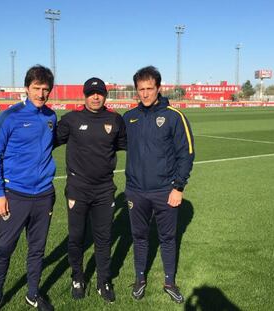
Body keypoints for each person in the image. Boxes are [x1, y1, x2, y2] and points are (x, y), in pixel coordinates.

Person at [0, 65, 56, 311]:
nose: (40, 94)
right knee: (4, 248)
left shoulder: (51, 117)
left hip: (44, 195)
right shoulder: (10, 116)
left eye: (45, 89)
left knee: (37, 250)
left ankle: (33, 294)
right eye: (36, 88)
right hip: (14, 195)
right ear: (27, 88)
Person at [123, 66, 195, 304]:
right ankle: (140, 278)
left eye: (149, 88)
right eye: (141, 89)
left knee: (168, 238)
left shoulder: (174, 116)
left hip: (165, 191)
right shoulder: (129, 117)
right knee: (139, 236)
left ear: (158, 88)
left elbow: (187, 154)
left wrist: (178, 187)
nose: (145, 93)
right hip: (135, 190)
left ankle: (169, 281)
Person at [55, 77, 127, 303]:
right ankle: (78, 277)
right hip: (78, 189)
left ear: (105, 95)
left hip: (105, 189)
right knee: (76, 237)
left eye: (100, 93)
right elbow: (48, 142)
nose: (95, 97)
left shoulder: (116, 120)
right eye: (91, 93)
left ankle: (103, 280)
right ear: (84, 96)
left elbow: (124, 145)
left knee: (104, 238)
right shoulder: (71, 120)